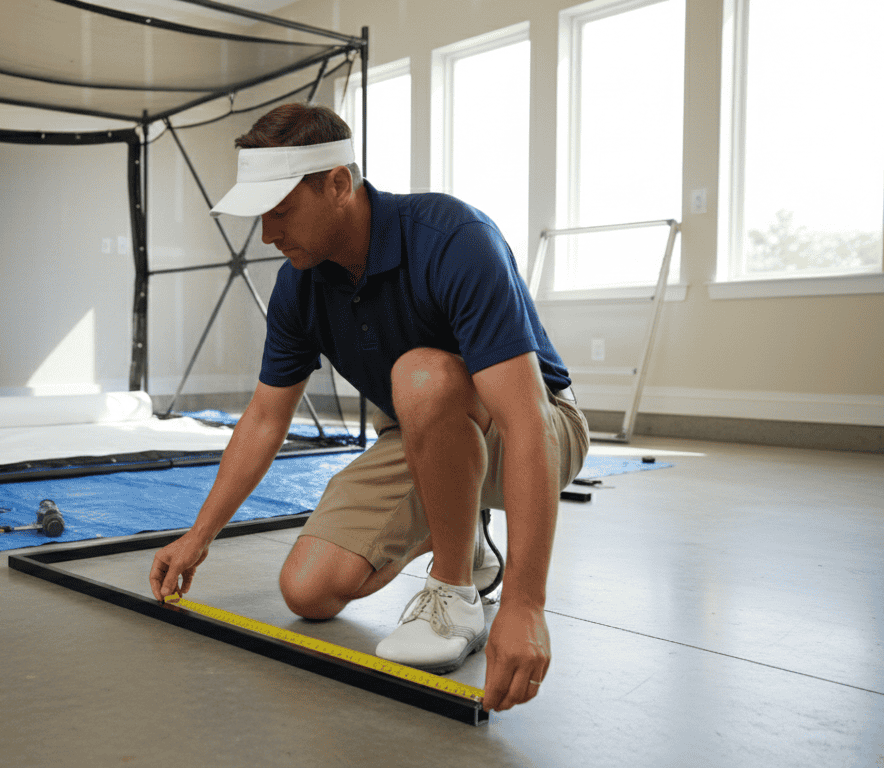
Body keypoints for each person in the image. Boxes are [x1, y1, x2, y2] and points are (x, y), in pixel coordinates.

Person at [147, 103, 588, 712]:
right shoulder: (299, 285)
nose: (268, 235)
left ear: (337, 184)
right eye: (261, 217)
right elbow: (265, 419)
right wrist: (198, 537)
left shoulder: (453, 238)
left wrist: (525, 603)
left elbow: (527, 418)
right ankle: (471, 543)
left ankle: (456, 592)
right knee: (307, 591)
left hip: (540, 427)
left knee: (421, 375)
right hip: (424, 432)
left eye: (280, 212)